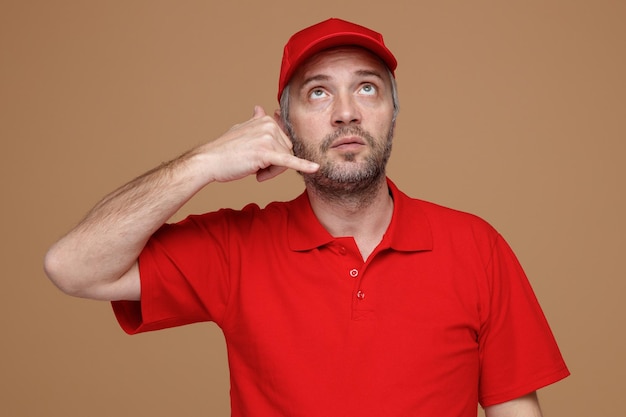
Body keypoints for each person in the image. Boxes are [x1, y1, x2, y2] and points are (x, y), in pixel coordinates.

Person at [44, 17, 569, 417]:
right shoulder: (238, 248)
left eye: (368, 87)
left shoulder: (475, 246)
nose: (346, 111)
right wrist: (201, 164)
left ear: (391, 112)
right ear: (283, 125)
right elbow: (73, 267)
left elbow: (515, 411)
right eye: (318, 92)